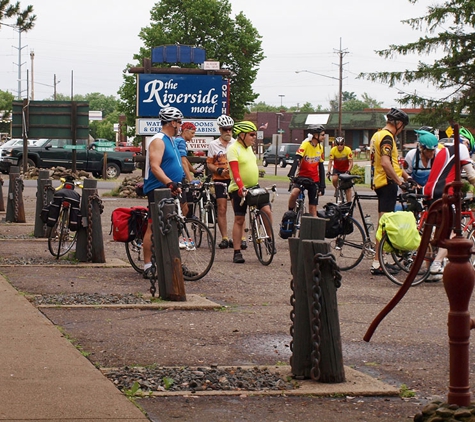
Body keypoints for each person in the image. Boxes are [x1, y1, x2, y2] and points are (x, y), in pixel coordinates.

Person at [423, 132, 475, 281]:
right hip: (444, 193)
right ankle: (437, 264)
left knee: (438, 230)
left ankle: (429, 269)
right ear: (467, 143)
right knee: (453, 231)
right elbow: (471, 175)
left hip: (431, 191)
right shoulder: (461, 148)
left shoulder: (443, 150)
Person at [141, 106, 186, 279]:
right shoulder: (158, 140)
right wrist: (169, 182)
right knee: (153, 226)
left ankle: (172, 261)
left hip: (171, 187)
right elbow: (155, 166)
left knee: (173, 225)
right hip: (158, 189)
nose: (180, 125)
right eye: (179, 122)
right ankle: (148, 265)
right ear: (173, 122)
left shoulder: (172, 140)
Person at [370, 108, 412, 275]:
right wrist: (399, 181)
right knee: (384, 223)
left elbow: (393, 163)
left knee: (384, 222)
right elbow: (386, 164)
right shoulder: (388, 137)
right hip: (387, 183)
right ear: (399, 123)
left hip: (379, 182)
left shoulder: (377, 135)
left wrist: (407, 177)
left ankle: (382, 259)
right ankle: (377, 262)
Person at [227, 121, 273, 264]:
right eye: (251, 135)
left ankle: (269, 240)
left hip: (254, 186)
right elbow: (235, 171)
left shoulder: (249, 148)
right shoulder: (233, 149)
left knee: (267, 211)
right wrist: (241, 187)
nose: (254, 137)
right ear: (242, 135)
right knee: (239, 219)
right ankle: (237, 251)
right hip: (239, 189)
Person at [207, 115, 246, 250]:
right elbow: (209, 164)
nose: (228, 132)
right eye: (225, 129)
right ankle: (224, 237)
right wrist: (218, 170)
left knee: (238, 207)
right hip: (220, 179)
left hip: (234, 179)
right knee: (221, 207)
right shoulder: (213, 145)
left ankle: (242, 237)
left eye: (230, 129)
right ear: (220, 130)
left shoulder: (236, 144)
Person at [287, 124, 326, 216]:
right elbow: (297, 158)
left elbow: (321, 167)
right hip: (302, 177)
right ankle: (290, 213)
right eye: (322, 135)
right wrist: (291, 174)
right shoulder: (305, 144)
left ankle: (312, 228)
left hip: (314, 180)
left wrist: (322, 185)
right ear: (315, 135)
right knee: (294, 193)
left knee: (313, 209)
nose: (324, 137)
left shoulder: (320, 147)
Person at [175, 122, 201, 217]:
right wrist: (191, 179)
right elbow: (183, 162)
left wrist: (194, 171)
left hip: (173, 175)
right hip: (178, 177)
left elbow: (185, 159)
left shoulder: (177, 140)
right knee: (185, 208)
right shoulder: (181, 142)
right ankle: (179, 230)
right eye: (192, 133)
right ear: (185, 131)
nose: (193, 136)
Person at [326, 136, 353, 202]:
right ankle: (337, 188)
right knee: (334, 179)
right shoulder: (333, 150)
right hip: (337, 169)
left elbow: (351, 163)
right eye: (338, 144)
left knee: (348, 188)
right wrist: (328, 171)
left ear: (344, 144)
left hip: (345, 169)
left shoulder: (348, 150)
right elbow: (330, 162)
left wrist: (348, 171)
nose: (339, 146)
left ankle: (349, 203)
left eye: (341, 144)